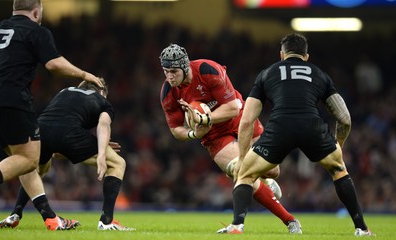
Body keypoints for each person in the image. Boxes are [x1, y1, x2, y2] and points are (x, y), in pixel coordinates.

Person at [217, 33, 375, 236]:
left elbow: (247, 120)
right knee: (339, 171)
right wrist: (338, 146)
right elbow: (344, 118)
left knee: (246, 175)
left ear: (282, 55)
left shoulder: (267, 73)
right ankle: (361, 228)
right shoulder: (320, 74)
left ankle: (237, 226)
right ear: (306, 56)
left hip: (280, 126)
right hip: (312, 126)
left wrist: (242, 158)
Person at [159, 43, 301, 234]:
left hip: (240, 119)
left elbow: (233, 107)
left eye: (174, 71)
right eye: (166, 71)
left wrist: (204, 118)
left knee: (273, 171)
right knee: (242, 171)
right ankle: (290, 221)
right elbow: (176, 129)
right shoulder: (168, 93)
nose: (169, 76)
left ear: (184, 66)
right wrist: (194, 133)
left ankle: (265, 179)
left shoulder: (208, 70)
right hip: (213, 136)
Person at [0, 0, 103, 230]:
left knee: (22, 162)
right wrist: (85, 73)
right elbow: (53, 64)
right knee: (29, 159)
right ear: (36, 12)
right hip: (12, 101)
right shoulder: (36, 31)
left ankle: (51, 218)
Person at [0, 79, 134, 231]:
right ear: (102, 92)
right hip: (69, 132)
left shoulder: (65, 91)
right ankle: (106, 221)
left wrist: (97, 145)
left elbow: (58, 149)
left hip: (40, 129)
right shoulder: (102, 100)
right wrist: (102, 153)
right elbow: (103, 124)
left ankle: (15, 213)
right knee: (118, 163)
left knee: (37, 169)